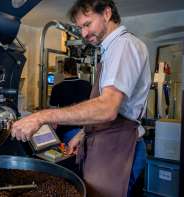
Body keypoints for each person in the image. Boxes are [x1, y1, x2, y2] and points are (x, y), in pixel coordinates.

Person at [11, 0, 151, 196]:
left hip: (119, 149)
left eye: (87, 24)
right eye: (80, 27)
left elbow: (108, 108)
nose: (84, 34)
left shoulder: (123, 45)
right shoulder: (111, 49)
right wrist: (83, 134)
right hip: (108, 146)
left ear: (107, 14)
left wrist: (41, 116)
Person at [49, 58, 92, 143]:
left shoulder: (57, 88)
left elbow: (52, 112)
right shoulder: (87, 85)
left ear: (63, 70)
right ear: (76, 69)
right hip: (85, 130)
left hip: (65, 130)